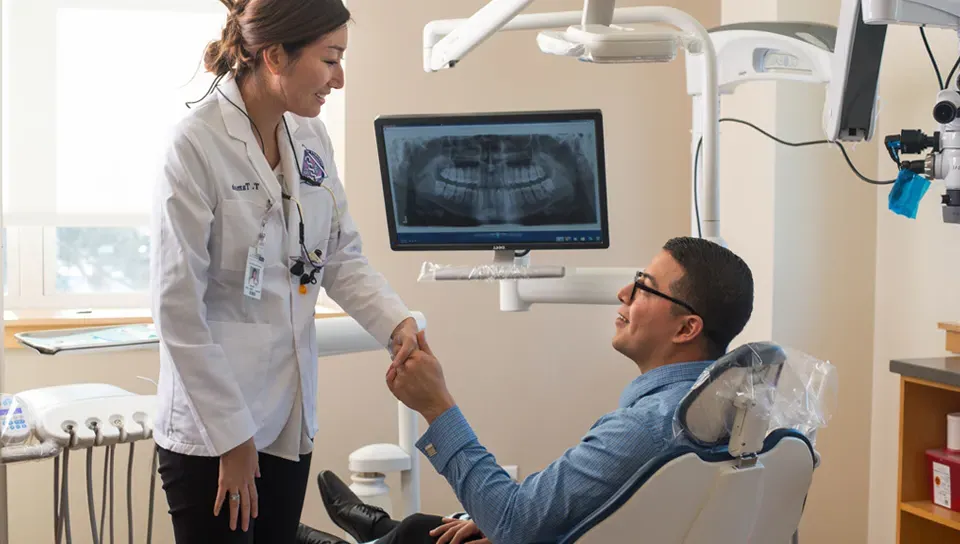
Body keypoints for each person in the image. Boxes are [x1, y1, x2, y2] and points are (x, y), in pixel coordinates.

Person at [150, 1, 420, 542]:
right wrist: (231, 438)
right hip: (213, 433)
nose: (338, 79)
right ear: (274, 55)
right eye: (330, 59)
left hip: (286, 417)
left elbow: (338, 255)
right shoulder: (195, 146)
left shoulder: (310, 137)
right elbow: (177, 310)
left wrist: (397, 325)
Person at [299, 236, 754, 544]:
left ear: (687, 327)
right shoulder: (728, 409)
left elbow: (517, 521)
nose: (622, 293)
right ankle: (382, 528)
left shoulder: (649, 428)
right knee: (431, 529)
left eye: (643, 288)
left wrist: (437, 407)